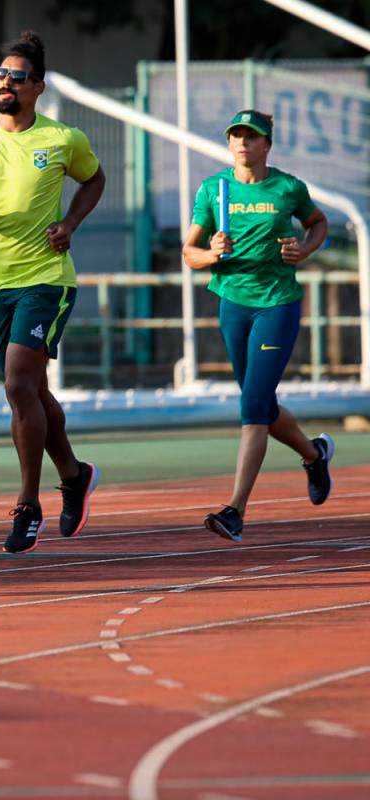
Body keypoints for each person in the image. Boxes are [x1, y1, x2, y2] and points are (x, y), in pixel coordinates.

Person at [0, 31, 106, 554]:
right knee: (31, 392)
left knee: (16, 385)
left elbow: (94, 180)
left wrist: (71, 221)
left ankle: (29, 503)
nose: (6, 83)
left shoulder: (62, 139)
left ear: (38, 88)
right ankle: (74, 473)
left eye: (17, 77)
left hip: (47, 279)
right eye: (0, 75)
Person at [183, 109, 334, 542]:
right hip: (233, 305)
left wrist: (305, 249)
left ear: (267, 144)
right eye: (237, 136)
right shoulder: (215, 190)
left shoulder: (288, 187)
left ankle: (235, 510)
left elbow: (318, 221)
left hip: (277, 305)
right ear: (229, 144)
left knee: (252, 408)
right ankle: (313, 453)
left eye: (252, 137)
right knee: (262, 406)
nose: (244, 144)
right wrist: (211, 254)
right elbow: (188, 252)